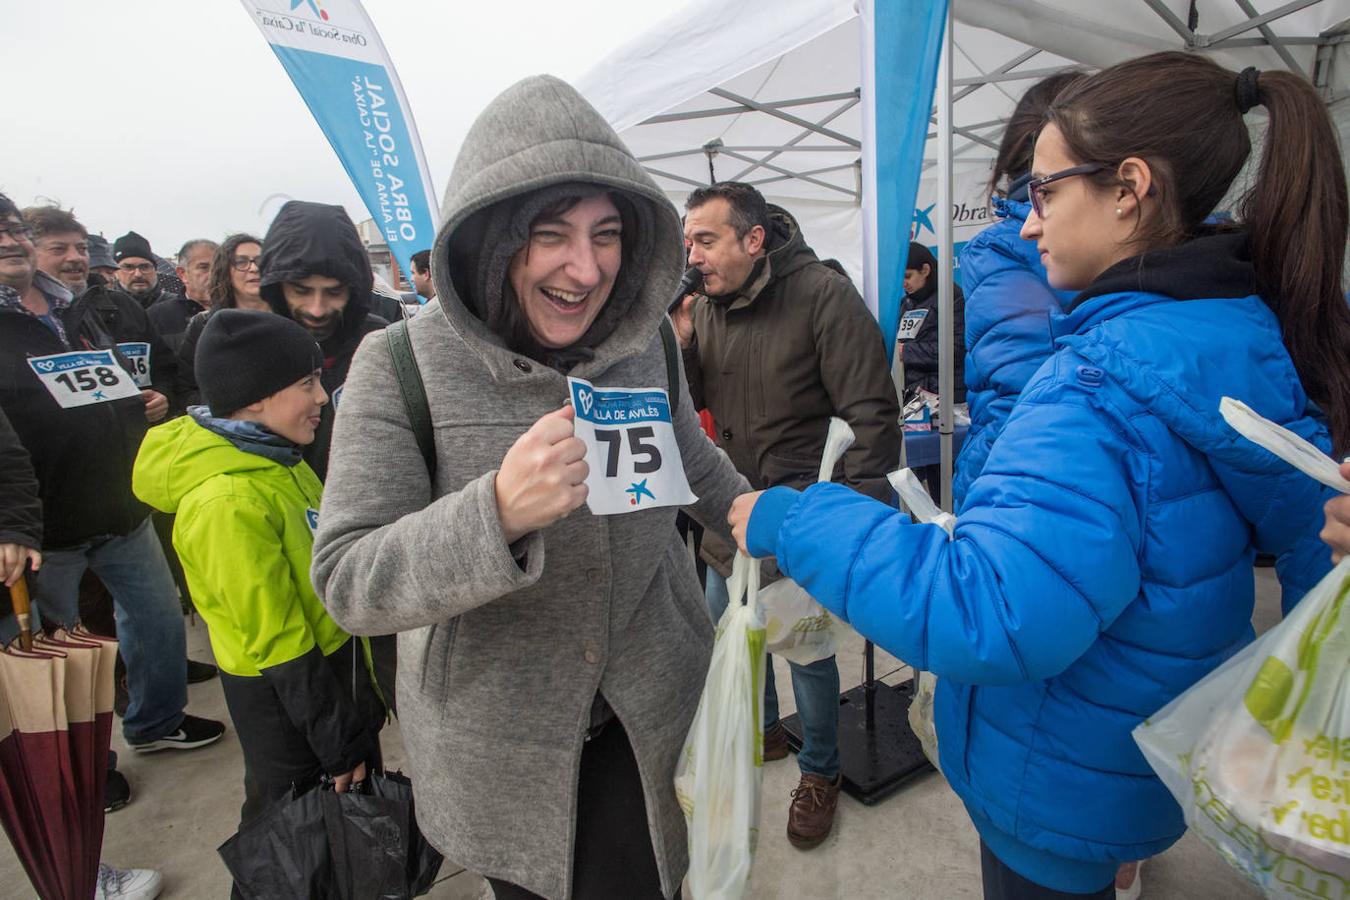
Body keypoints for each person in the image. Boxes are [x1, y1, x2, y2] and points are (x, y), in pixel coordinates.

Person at [729, 52, 1347, 899]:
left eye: (1046, 192)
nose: (1025, 223)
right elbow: (1312, 549)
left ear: (1128, 188)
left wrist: (795, 519)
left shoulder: (1094, 384)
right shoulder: (1237, 337)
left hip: (1056, 779)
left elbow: (986, 610)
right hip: (1139, 754)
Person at [311, 74, 751, 900]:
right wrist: (498, 514)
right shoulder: (401, 366)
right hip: (506, 747)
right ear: (490, 238)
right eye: (550, 234)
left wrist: (769, 520)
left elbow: (691, 463)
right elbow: (348, 578)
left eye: (608, 234)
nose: (585, 268)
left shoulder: (647, 340)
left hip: (657, 709)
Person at [673, 180, 900, 849]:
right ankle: (769, 730)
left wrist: (850, 530)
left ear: (754, 239)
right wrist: (683, 342)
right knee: (739, 640)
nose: (694, 256)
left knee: (806, 653)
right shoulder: (707, 307)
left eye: (706, 240)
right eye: (689, 242)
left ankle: (821, 771)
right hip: (728, 512)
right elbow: (694, 404)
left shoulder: (823, 296)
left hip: (804, 519)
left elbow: (872, 417)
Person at [132, 310, 384, 891]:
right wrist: (340, 743)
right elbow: (279, 642)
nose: (322, 397)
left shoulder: (276, 460)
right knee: (289, 835)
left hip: (327, 682)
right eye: (305, 385)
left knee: (323, 836)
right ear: (251, 398)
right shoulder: (227, 503)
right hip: (289, 704)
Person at [0, 193, 225, 758]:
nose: (76, 258)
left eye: (80, 247)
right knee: (57, 660)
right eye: (62, 247)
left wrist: (142, 401)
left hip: (121, 511)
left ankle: (154, 723)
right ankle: (79, 769)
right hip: (43, 534)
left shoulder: (79, 313)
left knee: (157, 624)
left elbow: (111, 383)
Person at [952, 73, 1082, 510]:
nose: (1032, 227)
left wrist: (972, 505)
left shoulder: (1002, 250)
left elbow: (1021, 401)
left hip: (1044, 499)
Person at [256, 201, 388, 481]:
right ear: (276, 286)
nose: (317, 309)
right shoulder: (251, 345)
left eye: (334, 292)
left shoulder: (381, 343)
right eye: (301, 291)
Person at [176, 234, 266, 408]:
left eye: (260, 260)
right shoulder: (202, 324)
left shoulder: (291, 319)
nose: (254, 268)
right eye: (241, 262)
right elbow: (186, 389)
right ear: (224, 269)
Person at [897, 241, 966, 404]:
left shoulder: (951, 297)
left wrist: (904, 351)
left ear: (925, 270)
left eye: (908, 276)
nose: (904, 283)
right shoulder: (904, 304)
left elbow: (955, 348)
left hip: (944, 395)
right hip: (912, 395)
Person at [146, 239, 216, 354]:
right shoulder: (156, 318)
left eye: (218, 267)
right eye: (204, 267)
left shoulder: (238, 311)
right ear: (182, 273)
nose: (214, 274)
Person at [113, 232, 181, 312]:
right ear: (115, 272)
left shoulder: (179, 307)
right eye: (128, 267)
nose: (138, 274)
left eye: (145, 267)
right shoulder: (103, 309)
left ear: (155, 270)